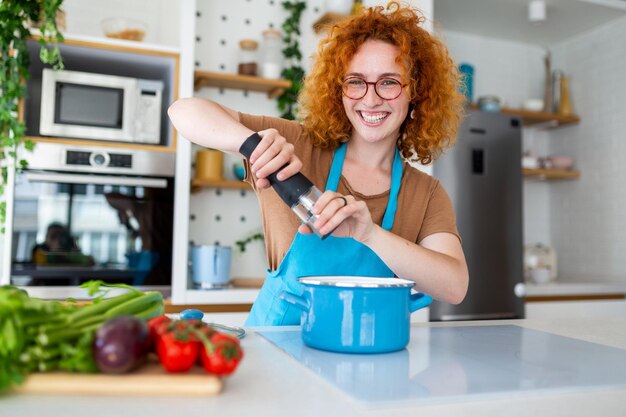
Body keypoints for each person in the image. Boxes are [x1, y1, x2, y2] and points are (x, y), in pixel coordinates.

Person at [168, 2, 469, 326]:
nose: (370, 99)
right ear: (338, 91)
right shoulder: (294, 145)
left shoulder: (425, 193)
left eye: (389, 82)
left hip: (367, 359)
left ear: (417, 93)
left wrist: (368, 233)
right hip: (276, 361)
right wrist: (252, 145)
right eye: (355, 81)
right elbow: (183, 112)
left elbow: (454, 287)